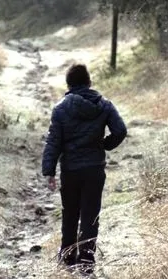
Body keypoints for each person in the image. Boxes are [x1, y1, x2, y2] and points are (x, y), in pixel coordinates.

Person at [41, 64, 127, 275]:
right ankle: (86, 261)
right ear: (89, 82)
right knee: (90, 215)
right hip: (94, 169)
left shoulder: (61, 108)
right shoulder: (104, 105)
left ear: (69, 85)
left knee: (70, 213)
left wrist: (49, 171)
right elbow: (121, 130)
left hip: (70, 169)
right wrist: (105, 144)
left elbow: (54, 141)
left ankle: (68, 257)